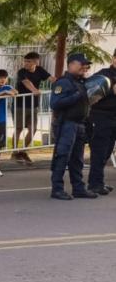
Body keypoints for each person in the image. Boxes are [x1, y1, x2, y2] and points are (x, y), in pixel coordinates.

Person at [49, 54, 96, 200]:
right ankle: (57, 189)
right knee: (62, 156)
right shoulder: (63, 83)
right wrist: (77, 95)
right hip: (66, 124)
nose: (84, 67)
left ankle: (78, 188)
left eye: (86, 65)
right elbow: (55, 104)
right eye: (81, 64)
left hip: (79, 124)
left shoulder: (81, 82)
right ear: (70, 65)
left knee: (77, 159)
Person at [13, 52, 54, 164]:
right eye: (25, 61)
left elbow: (51, 78)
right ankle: (14, 152)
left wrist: (62, 84)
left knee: (33, 129)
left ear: (36, 62)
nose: (25, 63)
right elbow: (26, 82)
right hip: (20, 105)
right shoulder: (22, 71)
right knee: (18, 129)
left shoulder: (40, 70)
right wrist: (34, 90)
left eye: (29, 61)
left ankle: (22, 151)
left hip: (33, 105)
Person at [87, 48, 116, 195]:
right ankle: (94, 184)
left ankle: (99, 181)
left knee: (108, 151)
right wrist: (111, 90)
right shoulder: (104, 74)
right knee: (100, 151)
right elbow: (90, 92)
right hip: (101, 117)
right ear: (113, 58)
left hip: (113, 118)